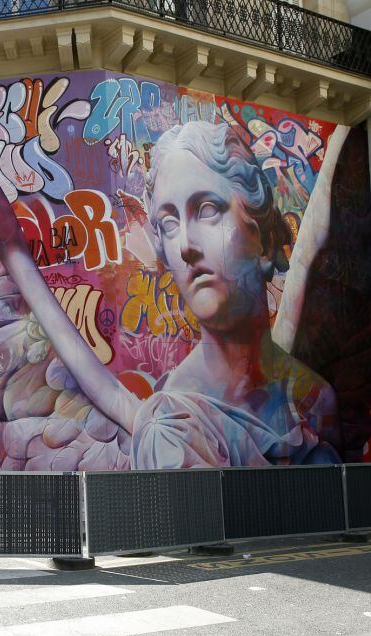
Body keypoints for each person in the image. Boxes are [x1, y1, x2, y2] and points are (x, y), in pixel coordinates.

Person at [135, 121, 341, 468]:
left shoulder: (315, 398)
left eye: (207, 210)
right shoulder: (172, 419)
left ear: (261, 235)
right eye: (169, 223)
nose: (185, 245)